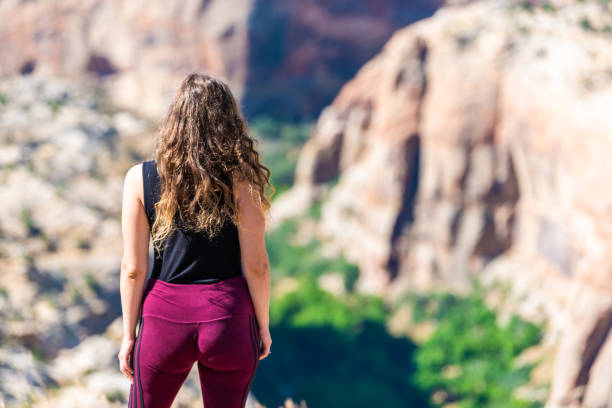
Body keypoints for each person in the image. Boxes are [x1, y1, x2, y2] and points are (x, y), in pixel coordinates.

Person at [117, 72, 273, 408]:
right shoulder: (242, 183)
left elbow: (133, 268)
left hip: (163, 321)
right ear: (228, 122)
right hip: (228, 319)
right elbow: (257, 266)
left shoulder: (138, 179)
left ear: (174, 120)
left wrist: (129, 335)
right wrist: (262, 326)